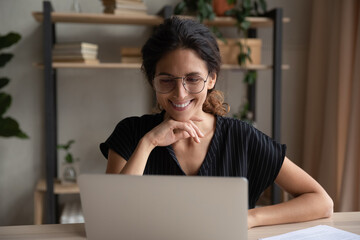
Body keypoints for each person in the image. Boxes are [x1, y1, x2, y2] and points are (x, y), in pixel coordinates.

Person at [100, 16, 333, 229]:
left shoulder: (241, 137)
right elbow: (110, 216)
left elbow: (321, 201)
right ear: (153, 81)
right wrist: (149, 142)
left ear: (211, 78)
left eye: (193, 79)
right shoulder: (131, 133)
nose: (180, 94)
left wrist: (250, 217)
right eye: (167, 80)